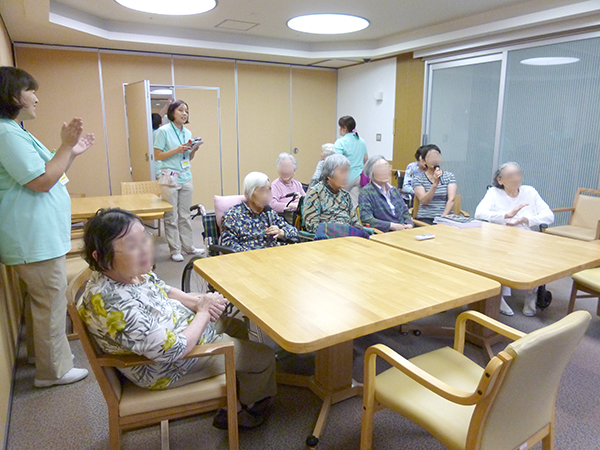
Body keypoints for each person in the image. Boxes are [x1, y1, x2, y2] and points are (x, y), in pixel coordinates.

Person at [79, 208, 277, 429]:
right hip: (170, 365)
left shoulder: (123, 273)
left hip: (179, 331)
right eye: (132, 245)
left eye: (144, 238)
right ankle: (246, 410)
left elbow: (161, 288)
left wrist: (198, 302)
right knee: (265, 357)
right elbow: (173, 350)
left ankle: (236, 390)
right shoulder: (115, 305)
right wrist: (203, 312)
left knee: (237, 325)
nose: (145, 248)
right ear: (100, 256)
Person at [0, 66, 94, 387]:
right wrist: (65, 145)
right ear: (13, 95)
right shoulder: (6, 134)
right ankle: (53, 371)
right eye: (30, 91)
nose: (36, 98)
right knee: (51, 302)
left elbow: (50, 170)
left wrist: (71, 151)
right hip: (32, 237)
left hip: (36, 236)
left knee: (41, 300)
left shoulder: (14, 130)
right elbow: (41, 182)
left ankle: (38, 357)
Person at [475, 162, 554, 317]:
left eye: (518, 174)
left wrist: (527, 220)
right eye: (511, 175)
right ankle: (500, 298)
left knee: (537, 260)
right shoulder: (493, 193)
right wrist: (505, 216)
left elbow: (549, 216)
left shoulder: (530, 191)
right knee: (496, 256)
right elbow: (479, 213)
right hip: (499, 236)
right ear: (500, 180)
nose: (516, 178)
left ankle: (531, 300)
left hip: (525, 236)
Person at [154, 100, 204, 262]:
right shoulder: (163, 131)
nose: (184, 114)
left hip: (185, 176)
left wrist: (193, 150)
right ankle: (175, 249)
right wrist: (176, 150)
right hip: (169, 177)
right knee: (171, 216)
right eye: (181, 110)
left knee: (185, 215)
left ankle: (188, 247)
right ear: (172, 112)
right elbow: (157, 156)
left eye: (186, 111)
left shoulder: (187, 133)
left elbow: (187, 157)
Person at [220, 172, 299, 252]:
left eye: (268, 191)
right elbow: (229, 246)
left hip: (273, 255)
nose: (265, 196)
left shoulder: (269, 213)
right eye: (261, 191)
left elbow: (294, 231)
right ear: (248, 193)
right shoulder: (233, 216)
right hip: (248, 257)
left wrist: (281, 232)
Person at [303, 154, 362, 233]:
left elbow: (355, 223)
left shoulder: (346, 195)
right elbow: (312, 226)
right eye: (342, 172)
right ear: (329, 175)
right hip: (328, 236)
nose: (346, 176)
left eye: (347, 171)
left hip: (347, 235)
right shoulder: (316, 193)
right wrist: (339, 231)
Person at [359, 155, 413, 232]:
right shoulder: (366, 192)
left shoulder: (394, 190)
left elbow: (405, 211)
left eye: (386, 167)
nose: (384, 171)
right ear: (371, 173)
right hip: (385, 233)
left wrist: (409, 224)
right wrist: (391, 226)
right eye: (380, 168)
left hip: (403, 231)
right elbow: (367, 219)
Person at [412, 144, 457, 225]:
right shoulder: (418, 179)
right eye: (431, 157)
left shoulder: (449, 176)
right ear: (424, 161)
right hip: (426, 217)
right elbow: (424, 201)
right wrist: (435, 184)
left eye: (437, 156)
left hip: (445, 217)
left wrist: (442, 218)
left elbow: (451, 200)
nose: (435, 159)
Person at [334, 116, 368, 207]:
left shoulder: (340, 142)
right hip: (358, 178)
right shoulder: (361, 141)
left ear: (344, 128)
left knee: (339, 204)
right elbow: (366, 159)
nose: (339, 129)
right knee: (353, 205)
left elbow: (336, 161)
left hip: (345, 178)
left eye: (339, 126)